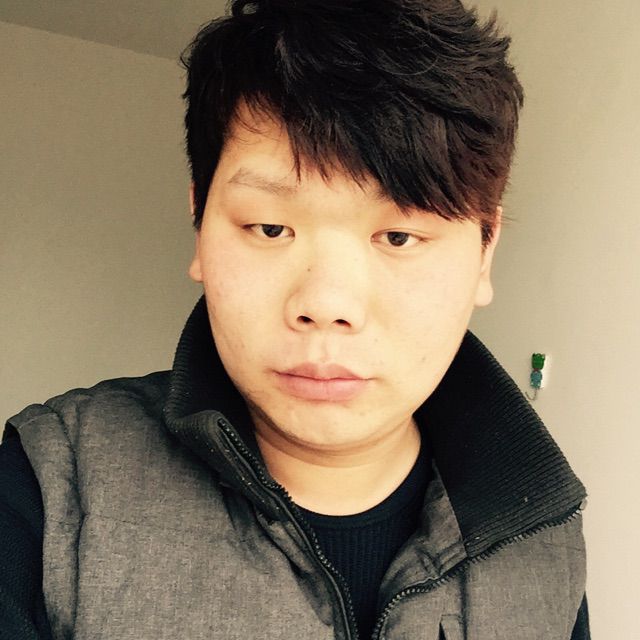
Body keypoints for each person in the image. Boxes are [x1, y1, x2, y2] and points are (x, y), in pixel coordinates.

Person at [1, 1, 590, 638]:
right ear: (200, 226)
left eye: (398, 236)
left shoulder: (542, 538)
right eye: (269, 227)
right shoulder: (51, 486)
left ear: (484, 252)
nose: (327, 304)